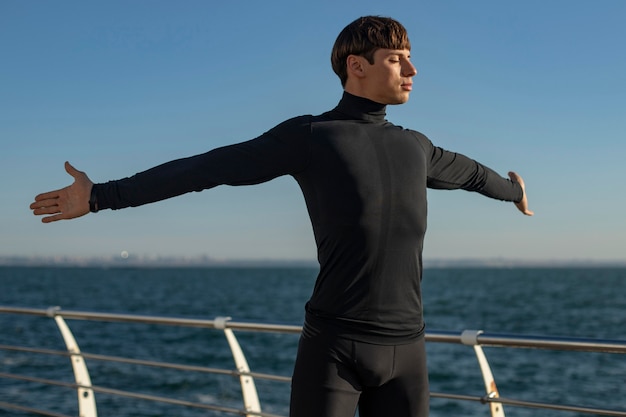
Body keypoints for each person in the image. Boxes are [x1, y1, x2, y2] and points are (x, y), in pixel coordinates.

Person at [30, 15, 532, 417]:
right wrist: (100, 196)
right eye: (398, 59)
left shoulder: (416, 147)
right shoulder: (311, 136)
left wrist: (513, 191)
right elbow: (209, 167)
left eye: (411, 59)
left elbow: (472, 175)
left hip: (409, 353)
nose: (413, 71)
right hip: (335, 350)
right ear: (357, 66)